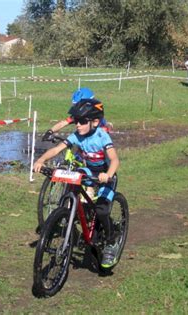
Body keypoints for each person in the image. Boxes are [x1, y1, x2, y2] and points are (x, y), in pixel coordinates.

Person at [33, 99, 121, 268]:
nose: (77, 125)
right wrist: (41, 160)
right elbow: (57, 149)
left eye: (82, 122)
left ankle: (111, 242)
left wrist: (108, 174)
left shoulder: (102, 136)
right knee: (78, 198)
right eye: (76, 121)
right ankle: (80, 224)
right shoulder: (76, 136)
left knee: (101, 210)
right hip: (88, 173)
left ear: (94, 122)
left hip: (105, 175)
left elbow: (114, 159)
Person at [42, 87, 112, 141]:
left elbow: (105, 129)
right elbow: (63, 123)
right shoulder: (78, 115)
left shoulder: (96, 117)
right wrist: (50, 131)